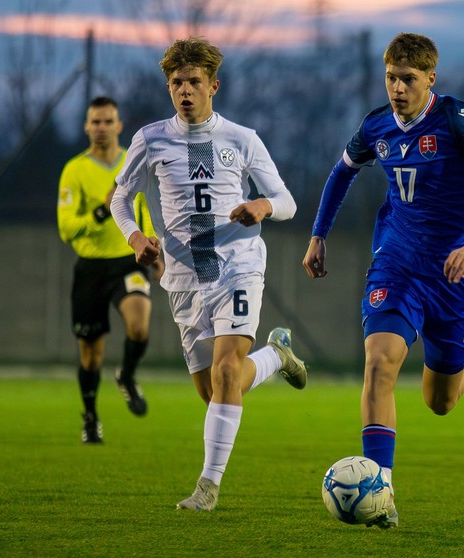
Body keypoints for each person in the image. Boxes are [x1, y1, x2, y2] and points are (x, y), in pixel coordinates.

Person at [302, 32, 464, 529]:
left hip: (454, 275)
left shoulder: (457, 121)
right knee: (380, 362)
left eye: (407, 79)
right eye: (390, 78)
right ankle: (381, 490)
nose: (397, 88)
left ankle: (463, 368)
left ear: (430, 79)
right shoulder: (376, 125)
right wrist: (319, 234)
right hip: (396, 265)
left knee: (439, 402)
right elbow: (342, 172)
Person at [109, 37, 308, 511]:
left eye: (194, 82)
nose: (184, 91)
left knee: (223, 371)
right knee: (217, 388)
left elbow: (287, 202)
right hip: (182, 277)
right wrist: (137, 239)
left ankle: (208, 486)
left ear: (213, 85)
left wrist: (262, 205)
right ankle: (276, 358)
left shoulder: (242, 139)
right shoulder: (150, 139)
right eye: (176, 82)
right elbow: (119, 199)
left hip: (238, 266)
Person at [57, 96, 162, 445]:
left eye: (108, 121)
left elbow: (143, 209)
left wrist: (152, 246)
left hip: (125, 261)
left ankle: (127, 376)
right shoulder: (75, 170)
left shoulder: (132, 166)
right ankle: (90, 418)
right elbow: (66, 227)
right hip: (90, 268)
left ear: (119, 125)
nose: (101, 127)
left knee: (139, 324)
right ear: (87, 127)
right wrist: (101, 213)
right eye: (95, 122)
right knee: (91, 354)